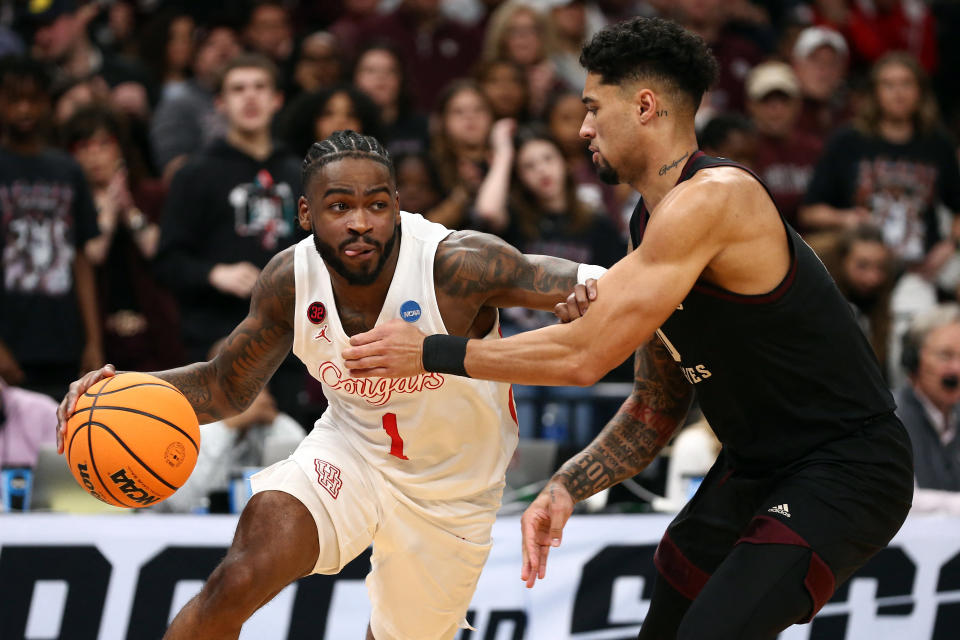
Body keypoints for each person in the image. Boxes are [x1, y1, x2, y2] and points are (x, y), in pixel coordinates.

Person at [341, 17, 915, 638]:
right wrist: (568, 484)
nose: (583, 126)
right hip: (756, 465)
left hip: (846, 465)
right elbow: (656, 401)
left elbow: (584, 357)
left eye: (593, 107)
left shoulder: (715, 197)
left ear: (644, 106)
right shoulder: (650, 224)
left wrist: (430, 350)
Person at [56, 129, 604, 639]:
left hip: (454, 489)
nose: (360, 222)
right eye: (340, 206)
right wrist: (121, 391)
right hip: (350, 451)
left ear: (397, 204)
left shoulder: (460, 264)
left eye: (376, 205)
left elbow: (616, 285)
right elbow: (226, 387)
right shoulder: (287, 282)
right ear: (306, 213)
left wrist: (592, 297)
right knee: (236, 580)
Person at [0, 55, 103, 400]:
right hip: (10, 336)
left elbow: (81, 259)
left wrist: (93, 342)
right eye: (14, 99)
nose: (24, 109)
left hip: (64, 339)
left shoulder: (67, 170)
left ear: (48, 102)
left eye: (33, 98)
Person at [896, 304, 960, 514]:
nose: (956, 369)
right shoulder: (891, 418)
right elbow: (902, 498)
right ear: (913, 361)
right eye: (945, 356)